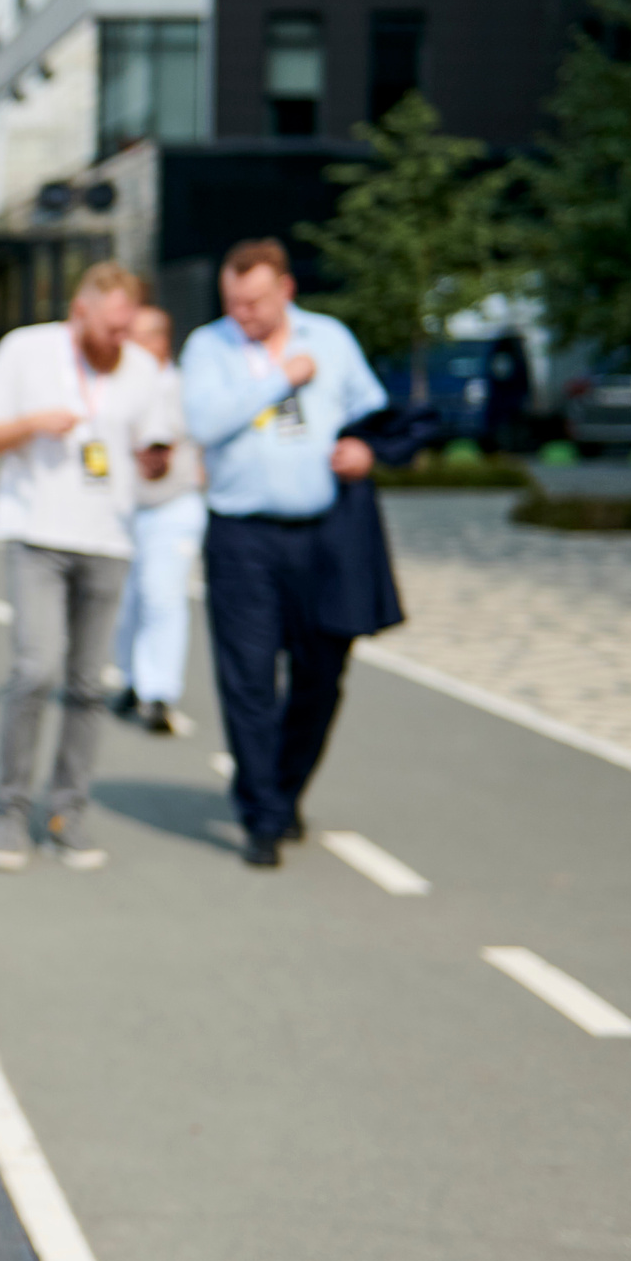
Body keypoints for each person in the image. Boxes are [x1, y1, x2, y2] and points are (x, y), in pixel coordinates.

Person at [177, 239, 386, 869]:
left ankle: (285, 787)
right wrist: (278, 378)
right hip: (244, 537)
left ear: (286, 292)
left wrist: (365, 451)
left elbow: (371, 410)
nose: (242, 313)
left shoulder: (331, 338)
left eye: (255, 302)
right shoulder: (207, 348)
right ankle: (262, 816)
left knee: (322, 676)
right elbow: (205, 424)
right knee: (248, 679)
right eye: (233, 302)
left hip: (324, 534)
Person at [0, 264, 174, 872]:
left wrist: (157, 460)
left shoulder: (142, 368)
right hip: (39, 535)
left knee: (88, 686)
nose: (119, 340)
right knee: (36, 669)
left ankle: (67, 815)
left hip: (109, 538)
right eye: (110, 327)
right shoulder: (26, 350)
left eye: (127, 328)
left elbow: (156, 449)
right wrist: (33, 423)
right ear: (80, 313)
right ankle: (10, 813)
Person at [110, 303, 205, 738]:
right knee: (130, 601)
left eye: (137, 334)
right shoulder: (121, 385)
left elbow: (158, 458)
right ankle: (132, 679)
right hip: (125, 510)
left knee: (162, 598)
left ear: (159, 341)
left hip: (171, 505)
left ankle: (160, 693)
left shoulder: (178, 387)